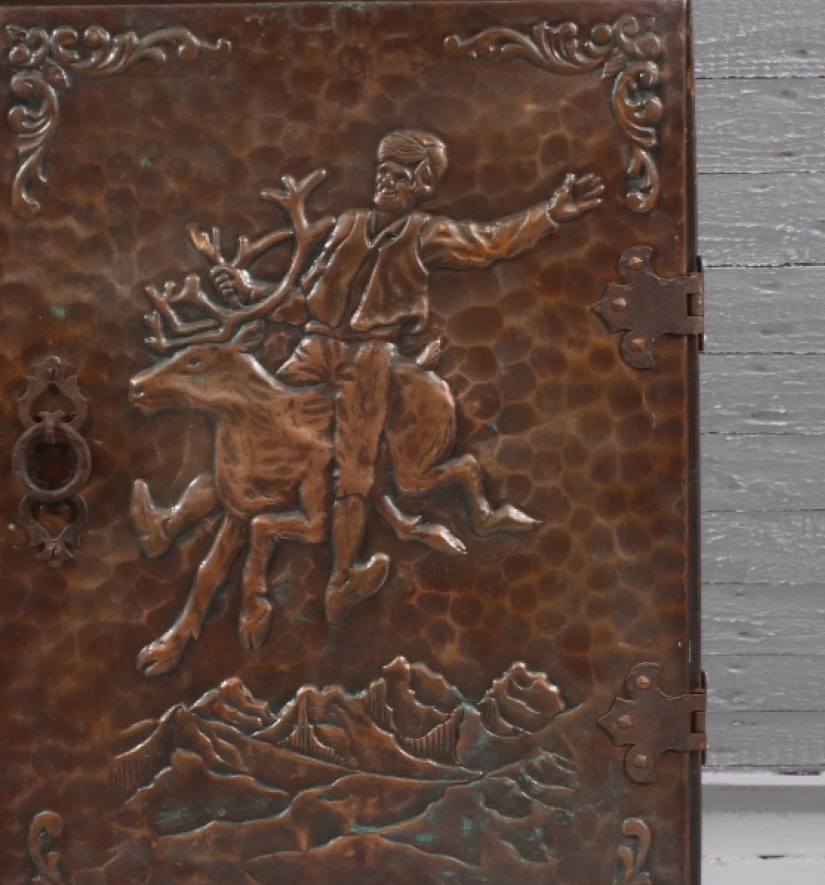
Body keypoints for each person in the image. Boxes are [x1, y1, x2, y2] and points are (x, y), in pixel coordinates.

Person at [218, 129, 604, 623]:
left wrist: (549, 214)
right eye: (383, 172)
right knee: (260, 417)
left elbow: (488, 244)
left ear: (422, 186)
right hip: (314, 346)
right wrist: (249, 291)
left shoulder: (425, 235)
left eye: (401, 175)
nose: (387, 181)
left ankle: (343, 577)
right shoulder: (348, 226)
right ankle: (194, 514)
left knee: (353, 471)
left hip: (367, 359)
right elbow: (303, 299)